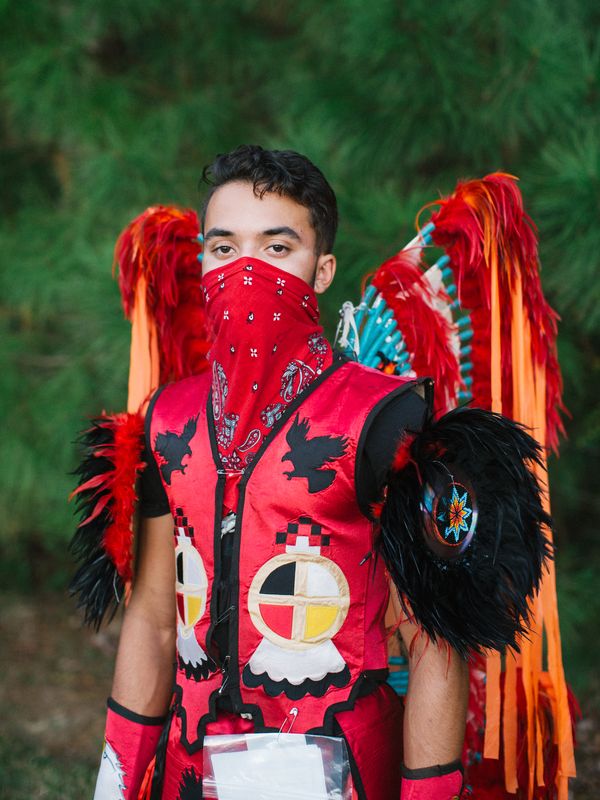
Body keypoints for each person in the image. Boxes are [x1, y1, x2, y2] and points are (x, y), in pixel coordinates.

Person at [85, 146, 549, 800]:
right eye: (224, 248)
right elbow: (155, 619)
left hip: (337, 769)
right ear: (202, 261)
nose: (245, 270)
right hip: (190, 768)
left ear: (322, 269)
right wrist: (117, 781)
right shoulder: (167, 418)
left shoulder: (381, 416)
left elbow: (431, 643)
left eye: (276, 248)